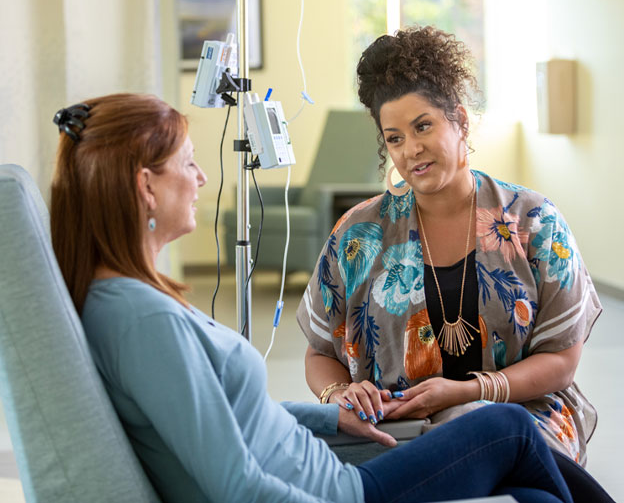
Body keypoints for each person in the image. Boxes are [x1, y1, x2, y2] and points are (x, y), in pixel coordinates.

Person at [49, 92, 574, 503]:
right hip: (337, 491)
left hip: (329, 455)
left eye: (423, 127)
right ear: (146, 188)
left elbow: (227, 419)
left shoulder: (126, 302)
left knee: (531, 492)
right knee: (503, 427)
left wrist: (330, 414)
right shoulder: (143, 322)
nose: (202, 178)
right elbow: (236, 485)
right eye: (188, 164)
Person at [296, 26, 603, 467]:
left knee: (490, 453)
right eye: (395, 137)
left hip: (519, 418)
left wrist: (468, 392)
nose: (411, 149)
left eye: (423, 126)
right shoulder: (357, 234)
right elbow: (319, 353)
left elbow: (562, 360)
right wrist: (341, 392)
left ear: (459, 119)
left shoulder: (534, 222)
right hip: (393, 426)